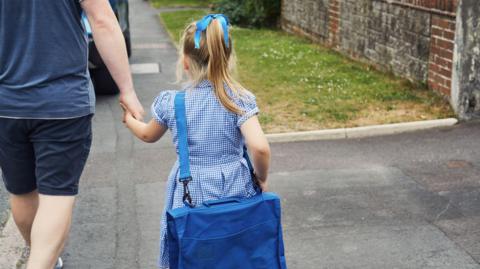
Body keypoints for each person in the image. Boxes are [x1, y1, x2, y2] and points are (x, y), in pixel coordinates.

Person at [0, 0, 144, 268]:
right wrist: (127, 90)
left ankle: (45, 259)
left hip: (7, 105)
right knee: (56, 196)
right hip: (62, 102)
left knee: (21, 193)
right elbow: (102, 19)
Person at [122, 14, 271, 269]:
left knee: (193, 247)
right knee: (234, 243)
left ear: (186, 62)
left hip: (190, 188)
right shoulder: (238, 99)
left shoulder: (173, 103)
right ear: (228, 57)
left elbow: (148, 134)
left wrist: (129, 119)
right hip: (236, 183)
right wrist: (261, 176)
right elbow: (259, 147)